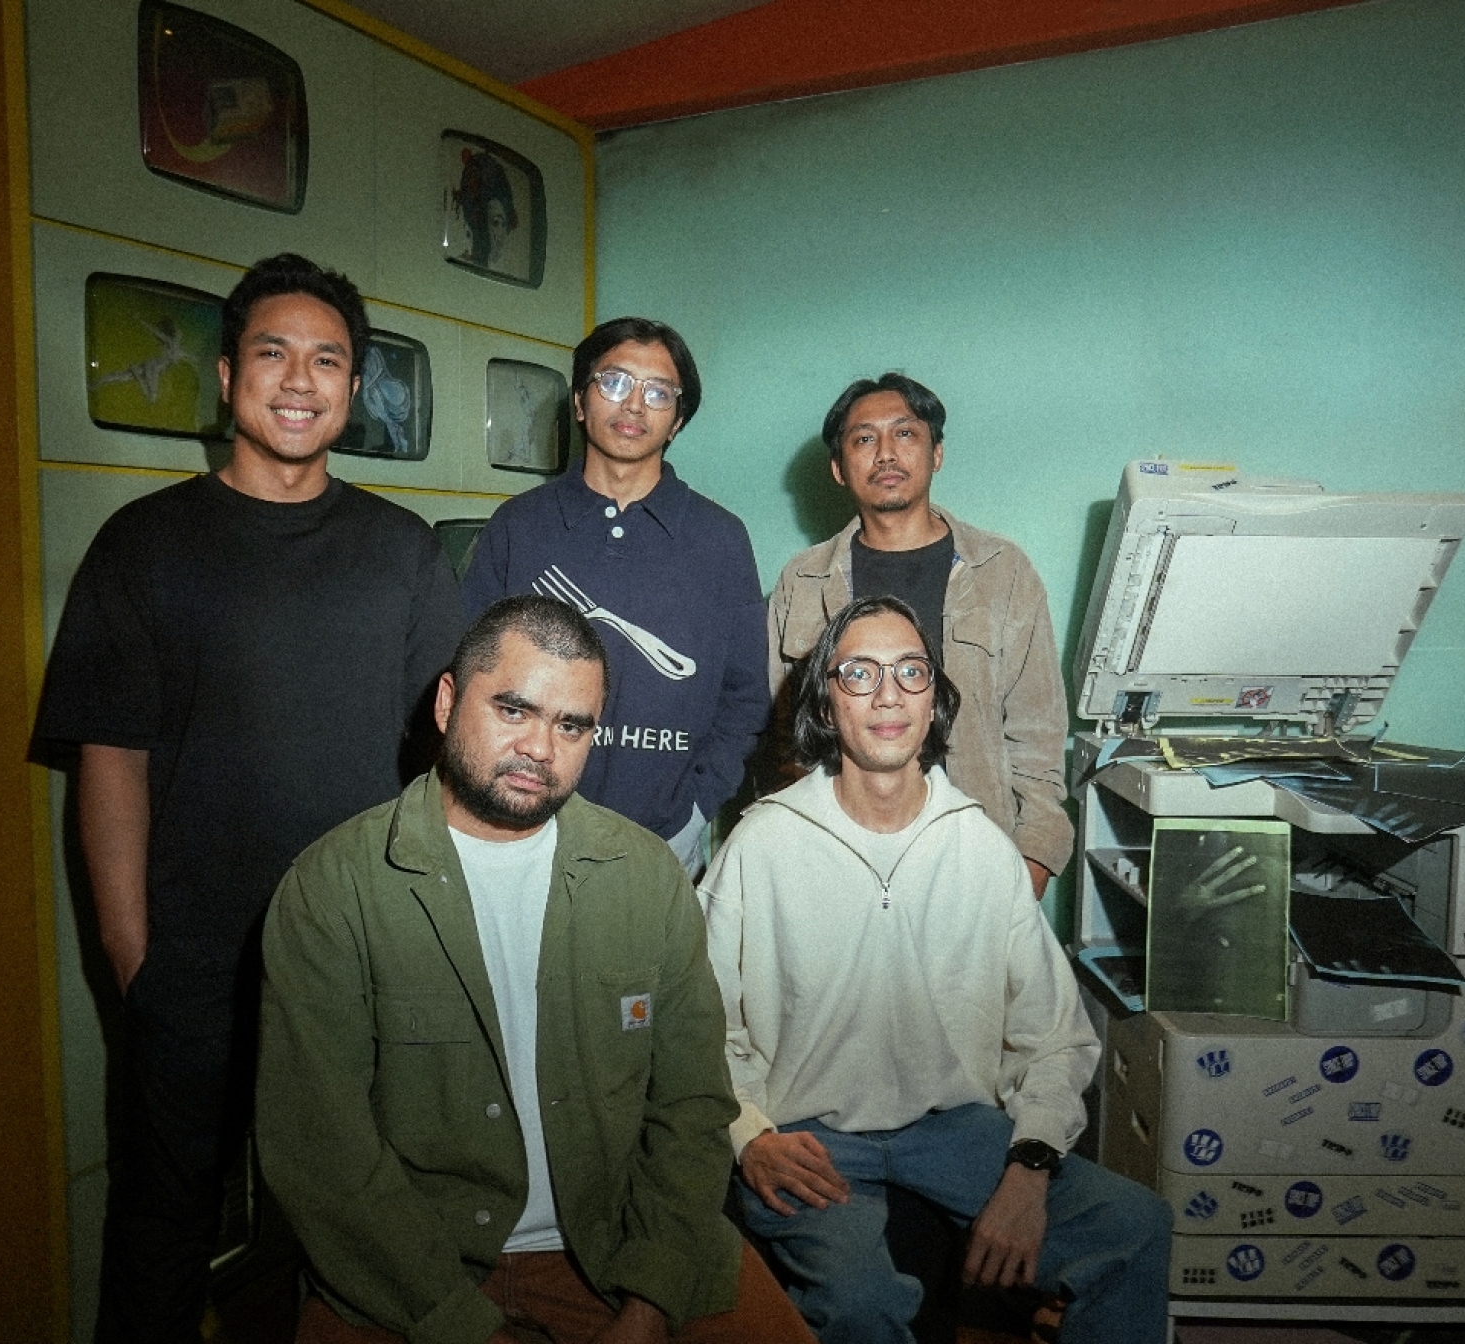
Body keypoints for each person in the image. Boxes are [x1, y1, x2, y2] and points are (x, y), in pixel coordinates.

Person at [30, 253, 466, 1344]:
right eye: (274, 353)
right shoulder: (144, 545)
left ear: (353, 389)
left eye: (329, 360)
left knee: (357, 1235)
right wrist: (134, 956)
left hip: (363, 962)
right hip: (196, 967)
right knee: (163, 1231)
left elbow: (446, 757)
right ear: (227, 377)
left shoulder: (402, 553)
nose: (301, 380)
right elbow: (111, 762)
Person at [256, 597, 814, 1344]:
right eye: (514, 710)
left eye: (571, 725)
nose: (541, 749)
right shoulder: (333, 887)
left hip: (620, 1243)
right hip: (411, 1266)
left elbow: (690, 1110)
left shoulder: (647, 877)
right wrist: (458, 1325)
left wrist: (649, 1304)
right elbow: (322, 1154)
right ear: (448, 703)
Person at [704, 596, 1170, 1344]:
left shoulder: (982, 849)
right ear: (825, 701)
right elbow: (700, 1025)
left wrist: (1030, 1168)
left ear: (934, 700)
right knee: (861, 1305)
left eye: (910, 671)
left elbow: (1055, 1037)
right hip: (809, 1137)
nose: (888, 694)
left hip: (956, 1130)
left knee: (1136, 1224)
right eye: (859, 673)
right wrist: (749, 1135)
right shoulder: (760, 846)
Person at [462, 318, 769, 876]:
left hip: (665, 843)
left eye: (658, 392)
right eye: (615, 382)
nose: (634, 405)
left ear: (677, 420)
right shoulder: (519, 527)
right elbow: (467, 678)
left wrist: (694, 812)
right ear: (580, 402)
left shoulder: (720, 540)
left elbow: (745, 699)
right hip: (519, 831)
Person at [766, 373, 1072, 897]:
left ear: (937, 454)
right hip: (835, 859)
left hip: (975, 858)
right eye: (865, 438)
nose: (886, 453)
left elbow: (1038, 735)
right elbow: (778, 739)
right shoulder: (804, 579)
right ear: (838, 468)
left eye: (905, 433)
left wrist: (1033, 861)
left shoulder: (1003, 572)